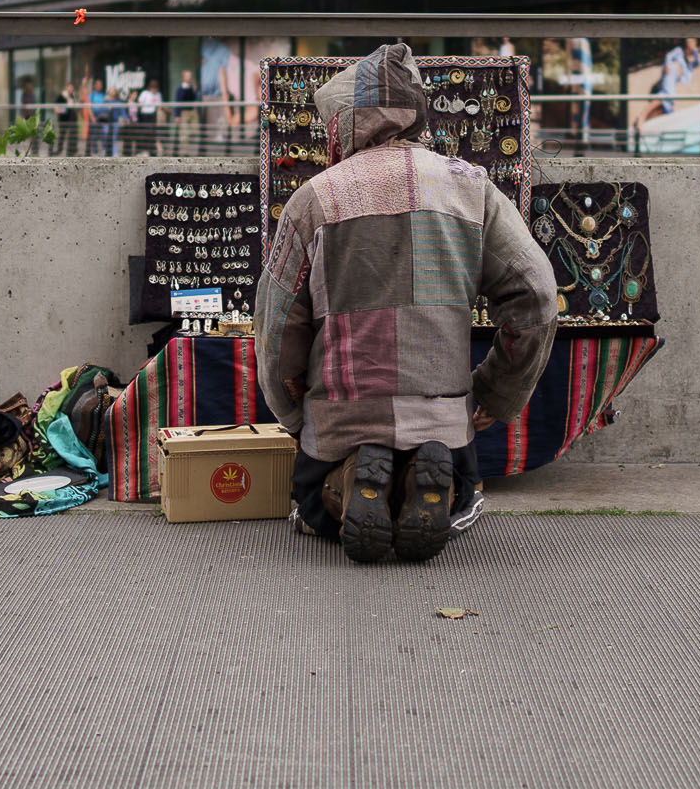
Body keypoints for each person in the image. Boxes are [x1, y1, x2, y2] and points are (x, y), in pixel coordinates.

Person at [255, 43, 558, 565]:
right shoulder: (472, 189)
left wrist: (292, 413)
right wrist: (496, 391)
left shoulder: (315, 199)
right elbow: (537, 294)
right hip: (442, 416)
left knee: (311, 509)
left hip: (341, 415)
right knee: (462, 497)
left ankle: (348, 477)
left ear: (344, 125)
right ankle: (434, 470)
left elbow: (278, 325)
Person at [171, 71, 199, 154]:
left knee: (195, 131)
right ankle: (184, 152)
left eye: (190, 76)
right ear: (183, 77)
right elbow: (178, 101)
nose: (189, 77)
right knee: (184, 134)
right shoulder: (180, 88)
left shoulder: (192, 87)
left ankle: (188, 145)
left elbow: (195, 99)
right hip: (184, 113)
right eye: (187, 76)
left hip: (192, 112)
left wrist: (195, 90)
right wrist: (177, 115)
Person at [132, 77, 162, 155]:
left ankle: (152, 151)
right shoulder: (145, 93)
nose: (154, 89)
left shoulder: (158, 94)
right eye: (153, 87)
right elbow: (140, 103)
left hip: (152, 115)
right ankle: (142, 150)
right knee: (144, 133)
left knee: (152, 133)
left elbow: (159, 106)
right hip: (144, 115)